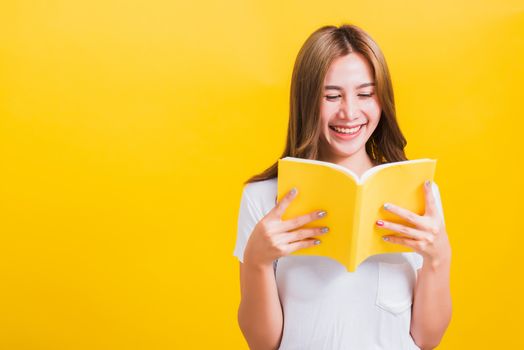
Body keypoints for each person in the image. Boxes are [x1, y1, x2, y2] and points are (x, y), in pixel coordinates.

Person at [233, 24, 452, 350]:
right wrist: (257, 261)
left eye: (365, 94)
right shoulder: (264, 198)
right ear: (307, 100)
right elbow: (262, 343)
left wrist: (438, 258)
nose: (349, 112)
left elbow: (428, 338)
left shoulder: (418, 193)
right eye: (331, 96)